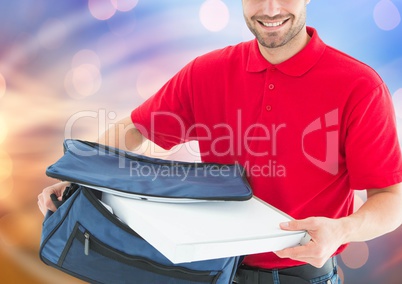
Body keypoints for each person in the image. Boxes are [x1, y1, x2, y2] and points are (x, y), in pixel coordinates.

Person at [38, 0, 402, 283]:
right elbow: (136, 129)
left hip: (301, 276)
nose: (270, 10)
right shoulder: (206, 72)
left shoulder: (359, 87)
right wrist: (77, 177)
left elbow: (390, 200)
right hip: (204, 272)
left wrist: (343, 228)